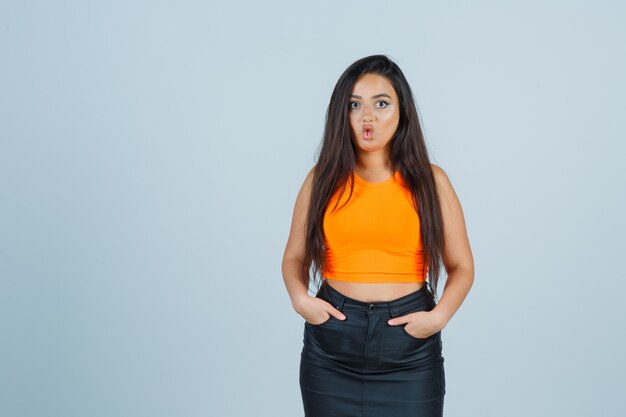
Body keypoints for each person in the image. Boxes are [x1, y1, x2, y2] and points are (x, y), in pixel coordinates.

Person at [281, 54, 474, 417]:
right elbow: (294, 257)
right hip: (332, 347)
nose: (367, 116)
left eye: (381, 103)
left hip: (410, 350)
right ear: (343, 114)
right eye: (355, 105)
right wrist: (299, 299)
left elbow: (462, 266)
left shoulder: (432, 182)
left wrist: (439, 317)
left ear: (402, 111)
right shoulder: (320, 179)